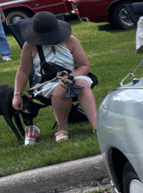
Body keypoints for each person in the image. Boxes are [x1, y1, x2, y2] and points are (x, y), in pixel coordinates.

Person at [10, 11, 98, 143]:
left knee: (82, 83)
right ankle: (62, 130)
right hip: (46, 83)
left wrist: (71, 76)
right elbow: (23, 71)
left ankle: (97, 126)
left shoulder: (70, 40)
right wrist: (17, 94)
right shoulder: (30, 46)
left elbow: (84, 66)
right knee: (60, 89)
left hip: (74, 76)